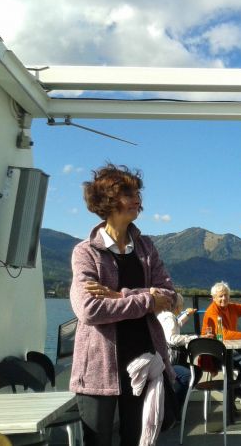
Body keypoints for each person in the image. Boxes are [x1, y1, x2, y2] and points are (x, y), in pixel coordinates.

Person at [70, 163, 176, 446]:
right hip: (98, 368)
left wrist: (119, 295)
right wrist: (148, 299)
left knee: (138, 438)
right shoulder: (85, 252)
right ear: (107, 201)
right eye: (127, 193)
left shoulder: (146, 247)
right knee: (98, 441)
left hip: (143, 359)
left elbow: (170, 296)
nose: (136, 199)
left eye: (137, 193)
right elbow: (89, 310)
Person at [157, 294, 201, 405]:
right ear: (178, 306)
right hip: (168, 362)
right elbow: (172, 338)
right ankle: (176, 406)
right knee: (189, 374)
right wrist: (194, 338)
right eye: (182, 306)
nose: (182, 308)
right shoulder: (169, 316)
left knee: (196, 371)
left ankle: (178, 401)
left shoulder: (164, 315)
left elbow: (176, 325)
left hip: (162, 359)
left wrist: (187, 314)